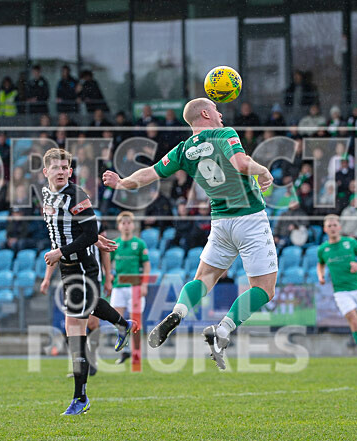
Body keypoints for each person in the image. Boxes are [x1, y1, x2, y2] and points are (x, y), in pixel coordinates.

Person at [103, 97, 276, 370]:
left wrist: (123, 182)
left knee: (203, 280)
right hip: (250, 220)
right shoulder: (224, 134)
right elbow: (241, 164)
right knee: (264, 289)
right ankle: (223, 330)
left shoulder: (184, 150)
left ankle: (177, 313)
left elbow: (151, 172)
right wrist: (263, 170)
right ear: (206, 113)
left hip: (220, 223)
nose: (220, 115)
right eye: (216, 110)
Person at [42, 148, 137, 413]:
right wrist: (91, 239)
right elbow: (71, 229)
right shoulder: (46, 195)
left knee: (76, 331)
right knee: (75, 329)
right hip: (66, 269)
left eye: (65, 168)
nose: (61, 172)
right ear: (45, 172)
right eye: (56, 167)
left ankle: (80, 398)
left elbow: (89, 232)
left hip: (83, 266)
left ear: (70, 172)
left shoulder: (76, 195)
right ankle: (122, 324)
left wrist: (65, 249)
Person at [317, 214, 357, 366]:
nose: (332, 228)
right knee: (352, 319)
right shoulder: (323, 249)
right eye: (329, 226)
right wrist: (321, 276)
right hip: (340, 291)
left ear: (340, 227)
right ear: (325, 229)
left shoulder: (350, 243)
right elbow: (320, 264)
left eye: (334, 225)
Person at [109, 211, 151, 361]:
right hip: (118, 286)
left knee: (136, 322)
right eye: (123, 223)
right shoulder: (115, 244)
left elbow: (147, 266)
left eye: (129, 223)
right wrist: (108, 275)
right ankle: (124, 350)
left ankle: (137, 353)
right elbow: (106, 262)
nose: (126, 226)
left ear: (133, 225)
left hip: (135, 287)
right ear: (119, 226)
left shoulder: (139, 244)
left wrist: (144, 284)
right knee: (117, 320)